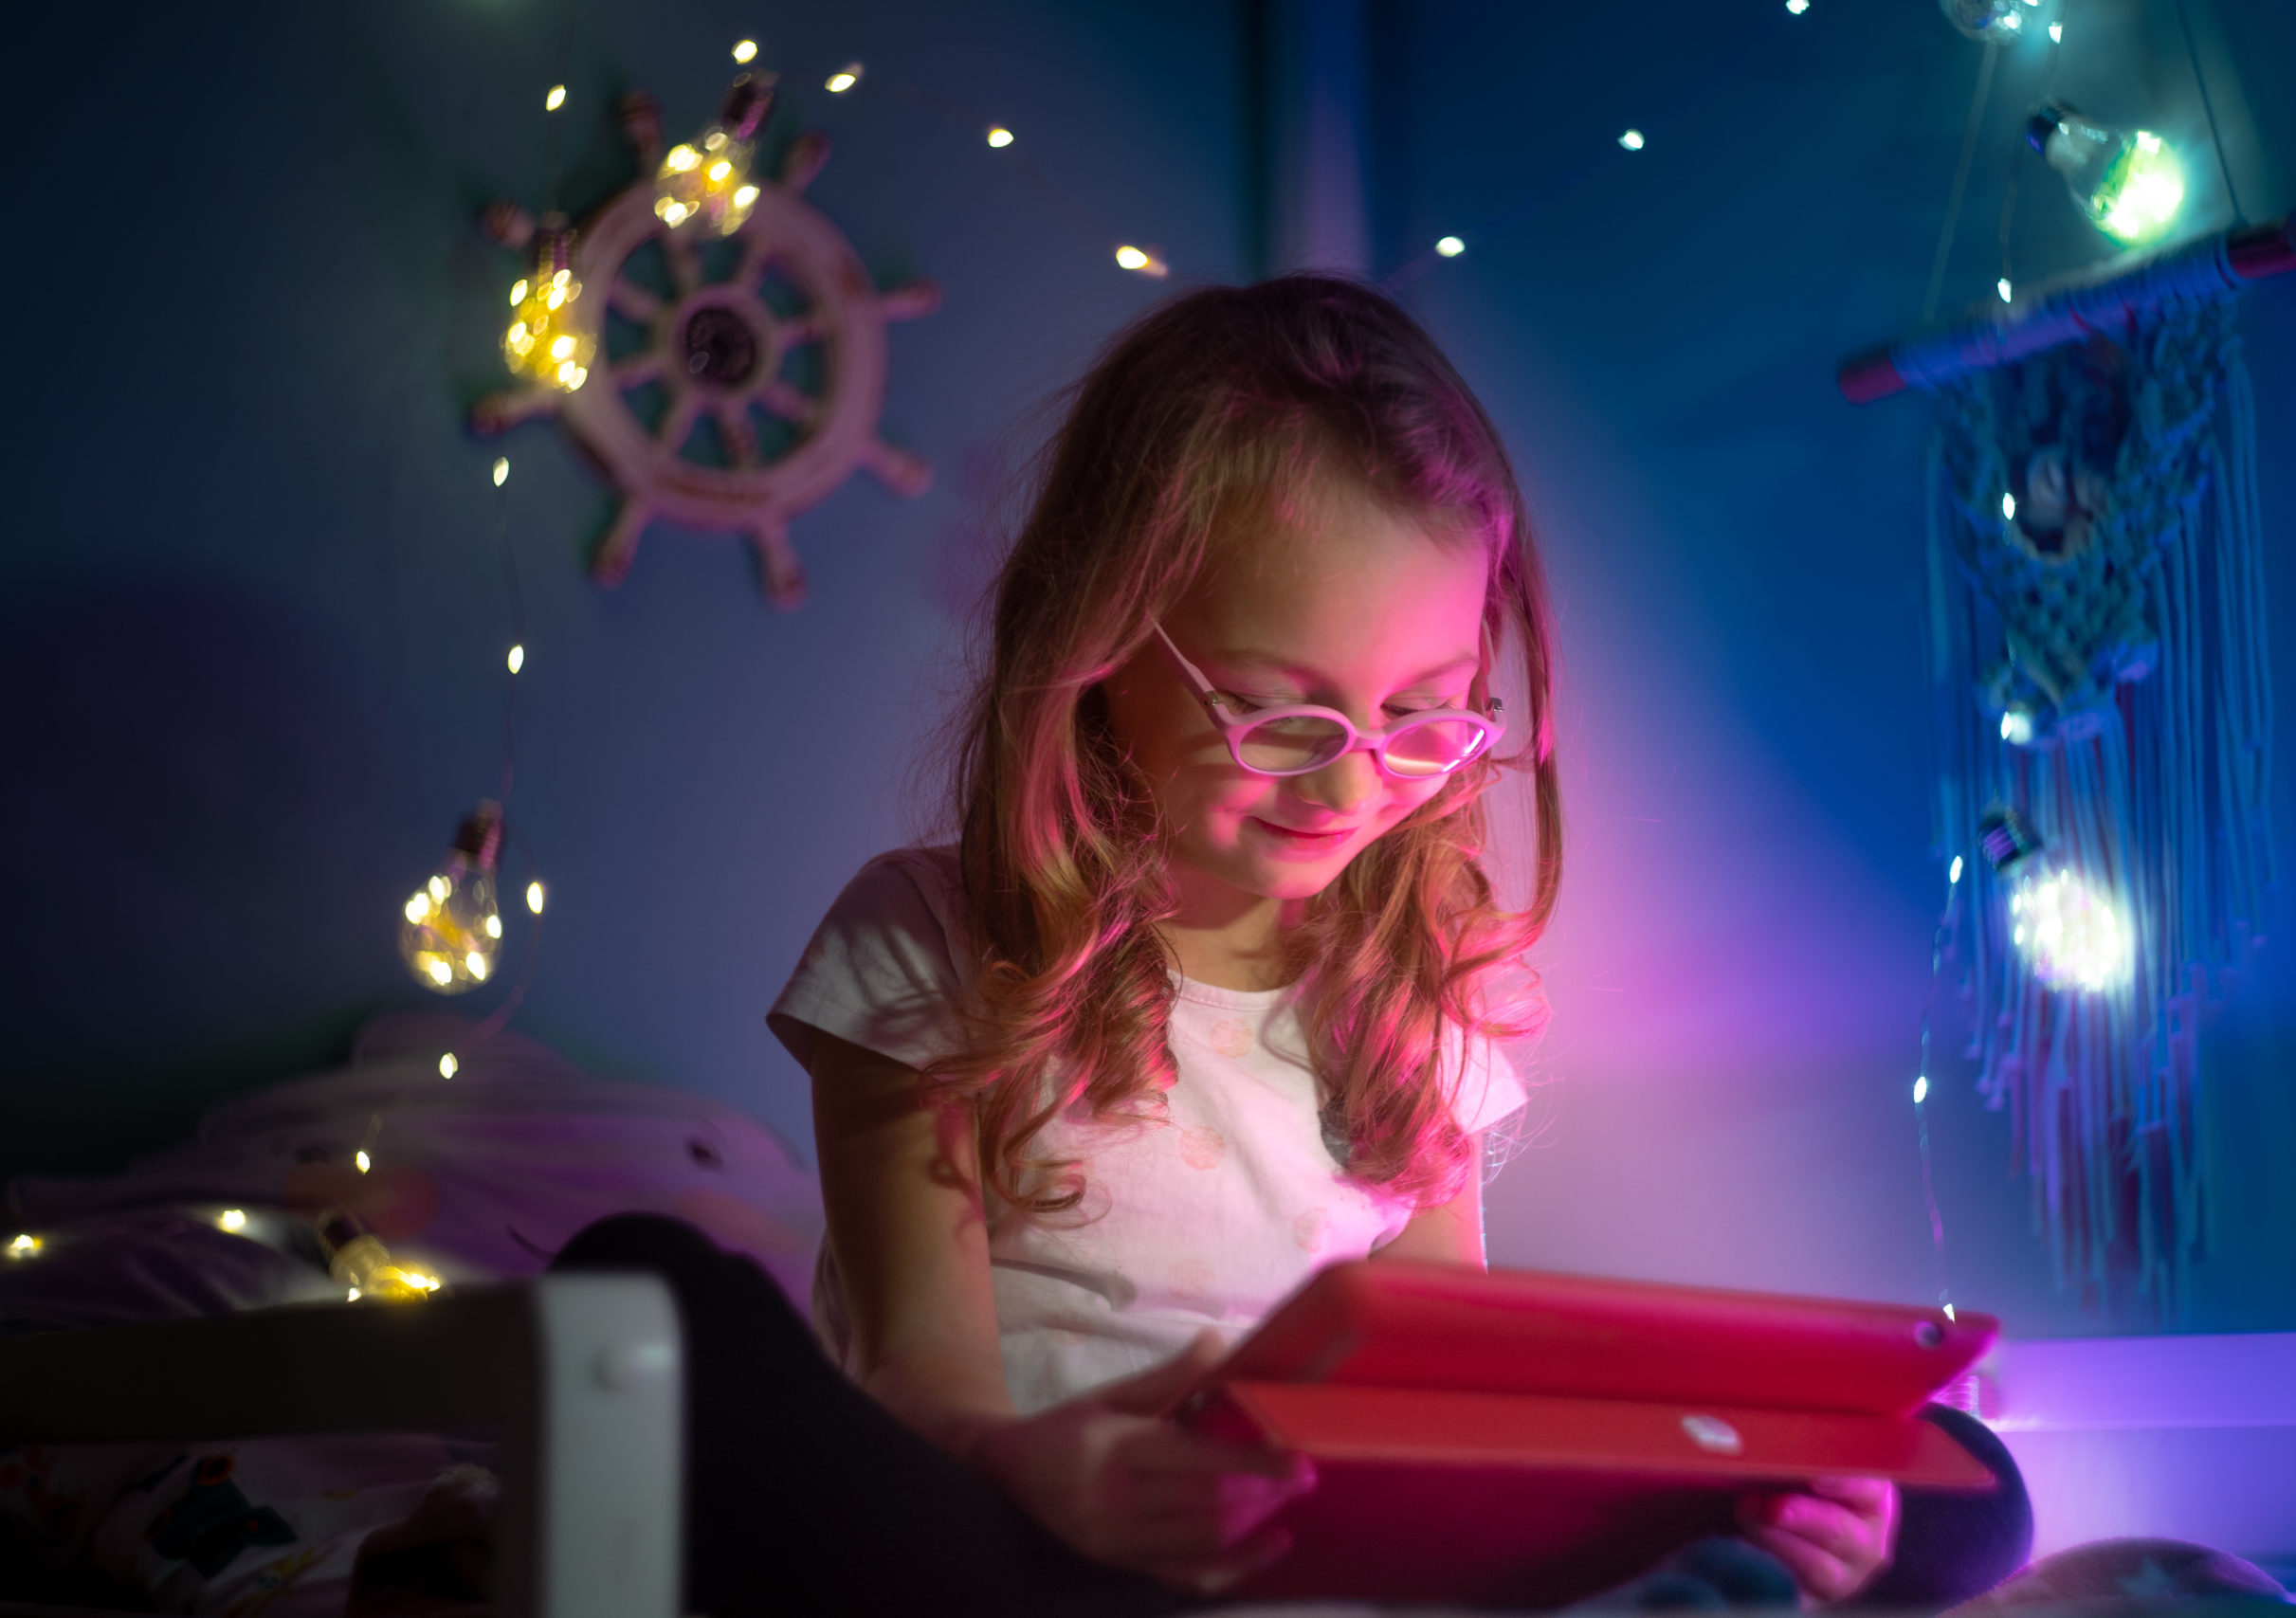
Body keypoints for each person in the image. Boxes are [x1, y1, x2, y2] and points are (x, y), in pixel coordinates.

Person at [556, 277, 2017, 1616]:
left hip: (1333, 1563)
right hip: (1024, 1540)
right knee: (638, 1295)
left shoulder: (1415, 1011)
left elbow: (1446, 1398)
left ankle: (1748, 1570)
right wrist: (1036, 1468)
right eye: (1280, 714)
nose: (1352, 786)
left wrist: (1758, 1496)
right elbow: (920, 1383)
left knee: (1947, 1478)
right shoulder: (932, 940)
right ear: (1103, 643)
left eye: (1425, 717)